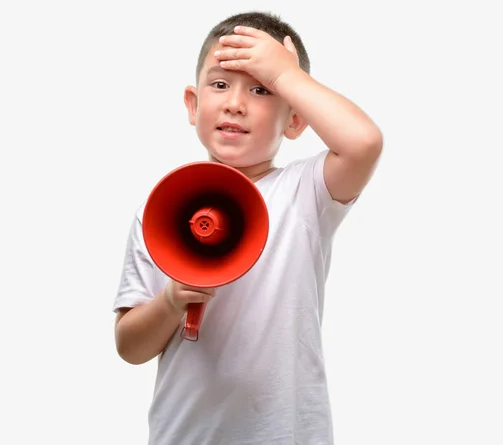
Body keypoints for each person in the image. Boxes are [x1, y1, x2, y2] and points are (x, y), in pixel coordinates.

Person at [113, 10, 383, 445]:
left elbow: (363, 142)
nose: (235, 103)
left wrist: (286, 74)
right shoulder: (160, 210)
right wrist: (171, 301)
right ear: (193, 104)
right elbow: (130, 347)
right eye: (219, 84)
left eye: (261, 89)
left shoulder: (305, 194)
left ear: (295, 119)